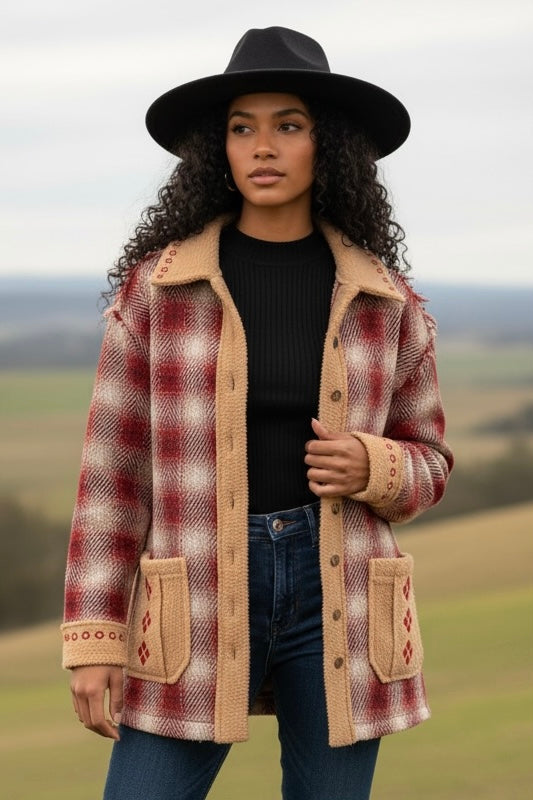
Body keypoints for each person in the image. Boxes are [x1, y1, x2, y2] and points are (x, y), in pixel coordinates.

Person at [62, 26, 453, 800]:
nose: (262, 147)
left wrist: (375, 465)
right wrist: (94, 635)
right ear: (219, 149)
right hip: (195, 593)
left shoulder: (385, 301)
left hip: (341, 595)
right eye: (241, 128)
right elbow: (112, 477)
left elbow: (431, 462)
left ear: (326, 145)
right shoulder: (157, 291)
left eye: (288, 125)